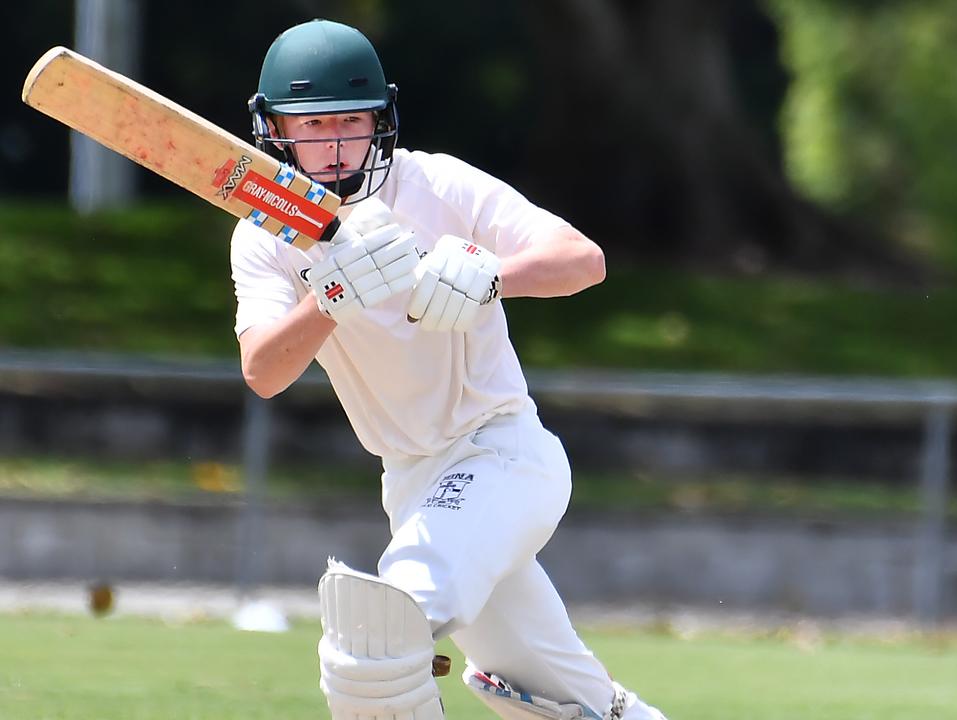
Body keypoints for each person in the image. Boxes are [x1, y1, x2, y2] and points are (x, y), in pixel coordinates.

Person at [231, 18, 669, 720]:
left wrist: (492, 275)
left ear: (382, 119)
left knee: (376, 637)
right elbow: (264, 370)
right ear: (275, 131)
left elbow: (583, 260)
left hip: (502, 455)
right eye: (314, 126)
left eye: (352, 120)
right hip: (410, 483)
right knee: (565, 702)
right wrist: (331, 297)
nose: (337, 142)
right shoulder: (264, 236)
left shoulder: (435, 183)